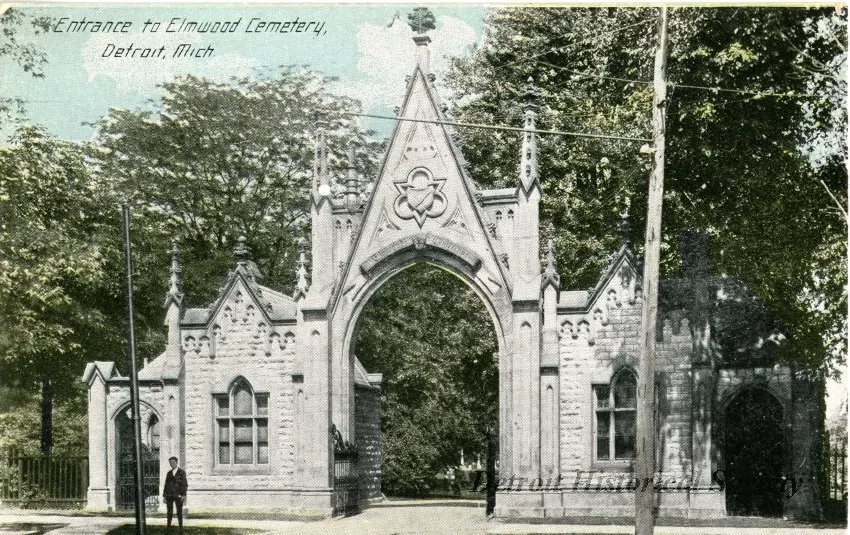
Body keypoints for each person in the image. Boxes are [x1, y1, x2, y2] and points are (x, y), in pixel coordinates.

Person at [163, 456, 188, 532]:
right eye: (170, 463)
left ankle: (180, 526)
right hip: (169, 495)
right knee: (169, 511)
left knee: (179, 511)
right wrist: (164, 495)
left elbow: (185, 484)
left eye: (173, 463)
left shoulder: (181, 472)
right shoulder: (169, 473)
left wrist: (183, 495)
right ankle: (168, 526)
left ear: (176, 463)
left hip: (178, 495)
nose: (172, 464)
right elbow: (166, 484)